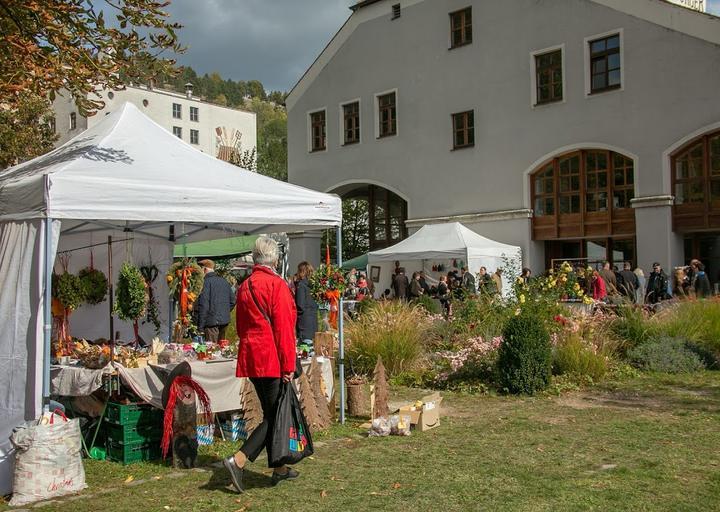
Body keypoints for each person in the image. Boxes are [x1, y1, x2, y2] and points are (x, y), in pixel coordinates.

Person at [224, 237, 300, 492]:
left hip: (253, 357)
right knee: (274, 416)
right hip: (271, 358)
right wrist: (289, 365)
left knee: (272, 413)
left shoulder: (245, 286)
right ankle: (239, 460)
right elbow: (284, 329)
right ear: (275, 259)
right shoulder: (277, 285)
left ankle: (279, 468)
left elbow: (242, 327)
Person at [195, 259, 236, 342]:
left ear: (204, 269)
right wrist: (224, 312)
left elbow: (204, 305)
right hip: (224, 321)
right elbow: (233, 301)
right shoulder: (224, 281)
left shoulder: (206, 282)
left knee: (211, 351)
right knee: (221, 349)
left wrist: (200, 327)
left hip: (211, 323)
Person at [294, 261, 318, 349]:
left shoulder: (301, 285)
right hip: (313, 321)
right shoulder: (313, 285)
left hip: (304, 323)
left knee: (305, 352)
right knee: (311, 350)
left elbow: (300, 304)